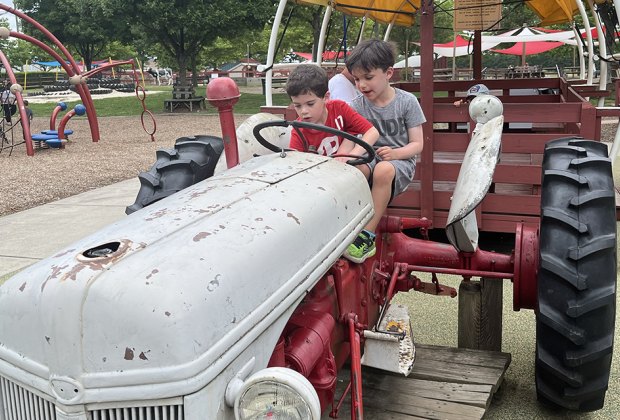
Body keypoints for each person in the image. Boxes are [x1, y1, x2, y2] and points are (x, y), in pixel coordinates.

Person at [344, 39, 426, 264]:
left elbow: (417, 144)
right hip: (370, 158)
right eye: (357, 79)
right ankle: (348, 224)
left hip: (399, 162)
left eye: (368, 78)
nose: (361, 85)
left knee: (382, 170)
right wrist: (346, 159)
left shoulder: (407, 102)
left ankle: (366, 236)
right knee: (356, 170)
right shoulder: (357, 105)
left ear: (389, 72)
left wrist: (396, 154)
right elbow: (352, 143)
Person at [285, 64, 379, 158]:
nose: (304, 111)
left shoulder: (339, 108)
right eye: (297, 106)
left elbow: (372, 132)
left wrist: (351, 155)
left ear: (326, 97)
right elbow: (295, 163)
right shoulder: (298, 131)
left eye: (310, 104)